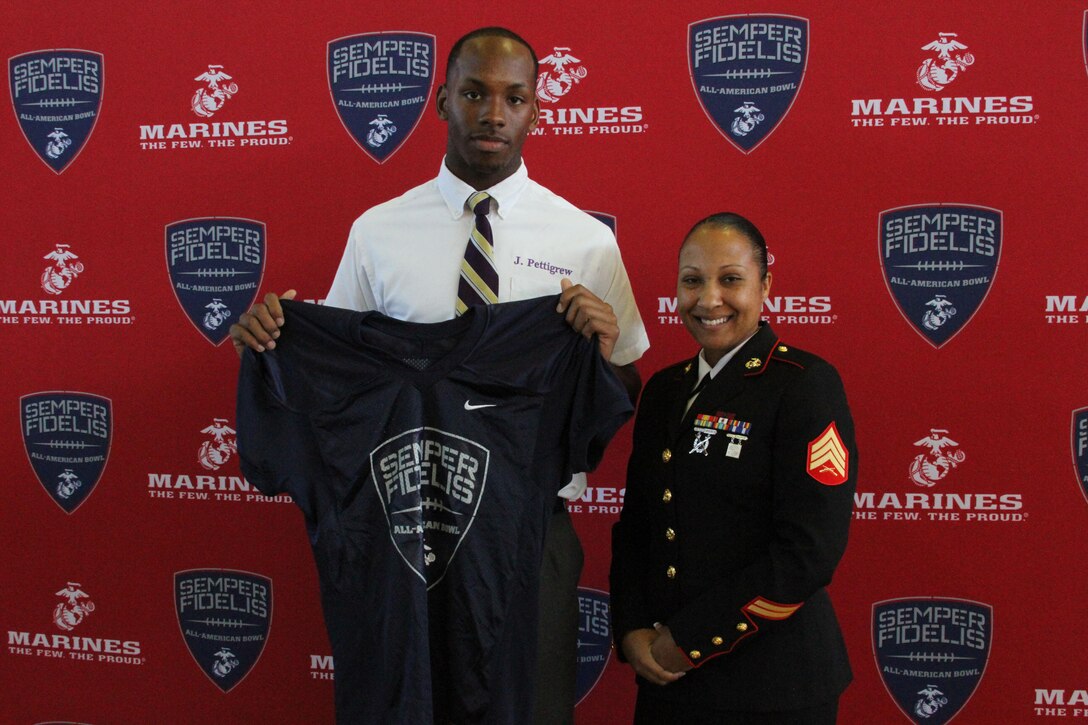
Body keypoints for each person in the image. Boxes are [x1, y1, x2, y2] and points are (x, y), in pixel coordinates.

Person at [230, 26, 649, 724]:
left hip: (528, 529)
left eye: (514, 97)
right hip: (400, 528)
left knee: (529, 709)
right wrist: (275, 342)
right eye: (475, 93)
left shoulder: (585, 239)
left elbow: (625, 391)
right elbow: (333, 389)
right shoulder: (377, 231)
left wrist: (600, 354)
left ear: (536, 109)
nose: (493, 113)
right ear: (440, 100)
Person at [609, 213, 856, 724]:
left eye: (730, 279)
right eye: (693, 280)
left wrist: (692, 641)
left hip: (772, 685)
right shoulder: (664, 390)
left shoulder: (804, 384)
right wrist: (632, 628)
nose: (709, 299)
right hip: (667, 679)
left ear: (765, 286)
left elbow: (807, 552)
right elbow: (638, 526)